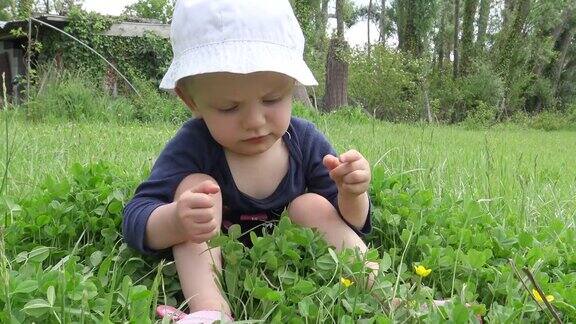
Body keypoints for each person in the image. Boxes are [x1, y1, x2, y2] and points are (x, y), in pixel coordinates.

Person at [122, 0, 374, 322]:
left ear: (291, 85)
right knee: (197, 191)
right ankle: (211, 312)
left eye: (272, 99)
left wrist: (352, 193)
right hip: (211, 251)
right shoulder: (192, 145)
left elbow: (351, 224)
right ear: (191, 100)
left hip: (290, 255)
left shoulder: (306, 142)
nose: (255, 121)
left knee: (310, 205)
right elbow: (135, 217)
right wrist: (176, 220)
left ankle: (392, 295)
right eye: (229, 107)